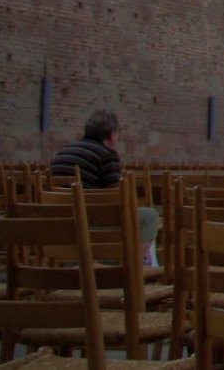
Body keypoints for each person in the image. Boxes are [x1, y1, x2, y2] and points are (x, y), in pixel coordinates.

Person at [51, 110, 161, 264]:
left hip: (60, 219)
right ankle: (132, 267)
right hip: (91, 219)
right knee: (149, 217)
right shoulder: (106, 155)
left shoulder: (62, 153)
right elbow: (114, 198)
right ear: (111, 135)